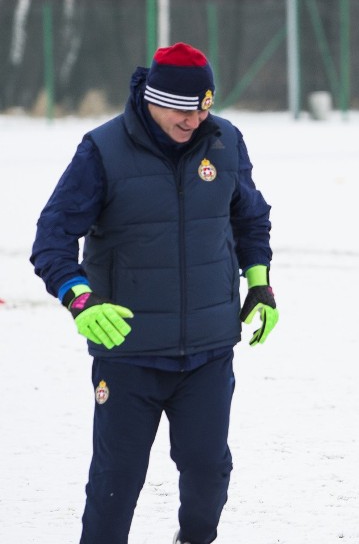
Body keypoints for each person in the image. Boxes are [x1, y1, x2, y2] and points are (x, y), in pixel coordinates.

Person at [30, 42, 278, 544]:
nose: (195, 122)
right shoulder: (101, 150)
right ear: (152, 99)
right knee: (116, 481)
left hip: (209, 350)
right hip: (129, 351)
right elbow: (51, 238)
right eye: (184, 111)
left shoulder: (225, 141)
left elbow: (251, 218)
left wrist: (259, 284)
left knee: (209, 472)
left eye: (204, 108)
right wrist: (80, 298)